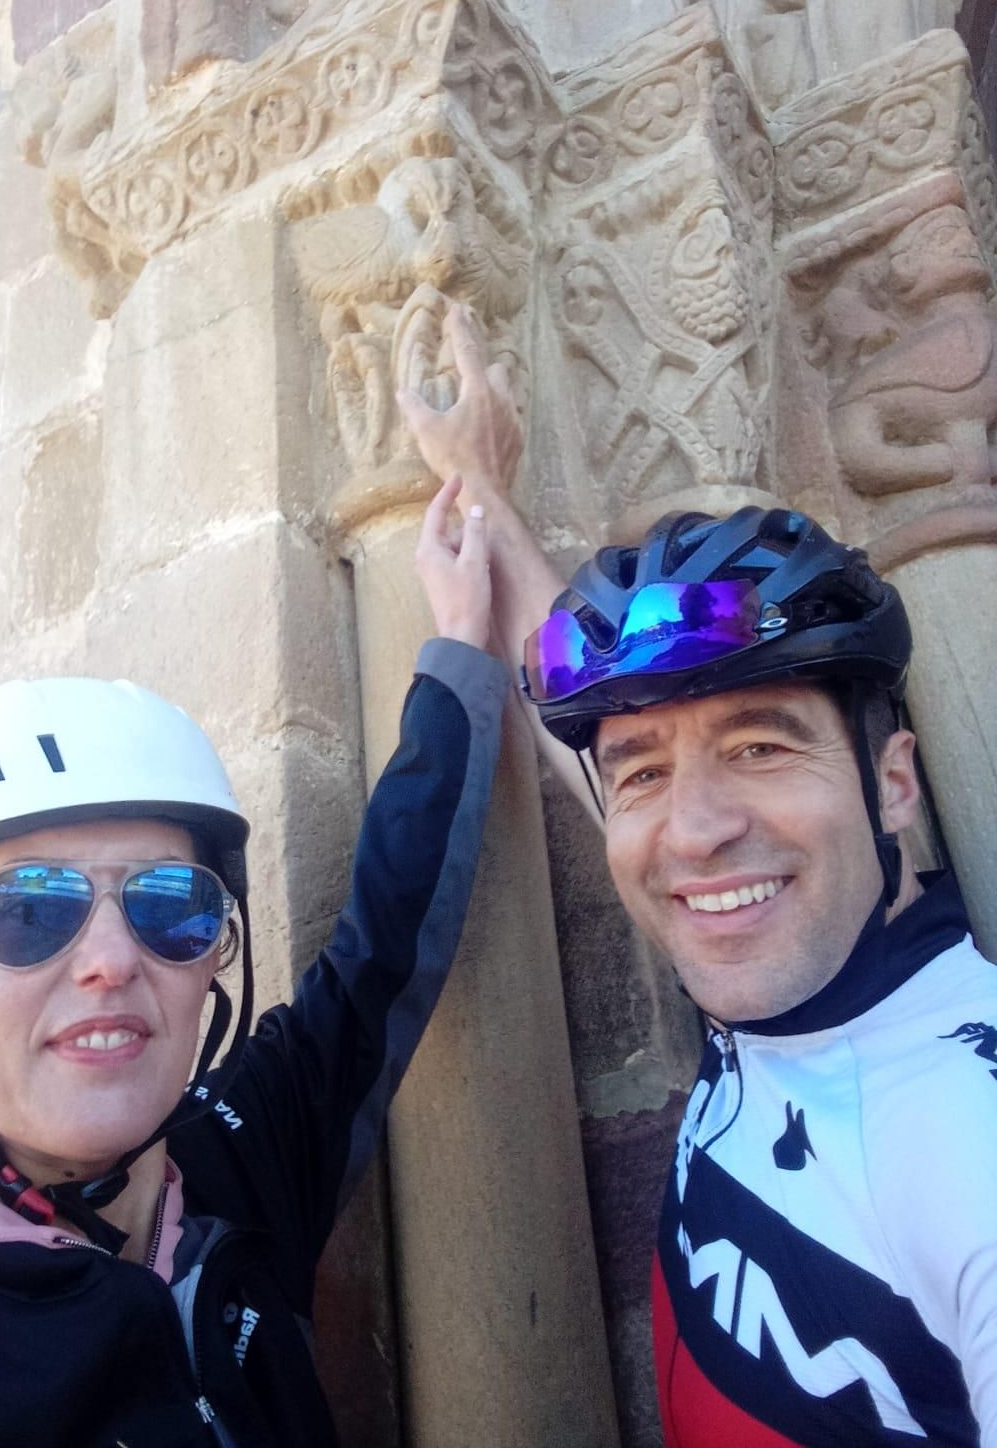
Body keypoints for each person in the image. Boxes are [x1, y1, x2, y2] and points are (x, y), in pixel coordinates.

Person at [0, 477, 508, 1448]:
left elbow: (380, 945)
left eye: (167, 906)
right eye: (29, 910)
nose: (108, 960)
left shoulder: (228, 1160)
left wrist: (460, 644)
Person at [400, 307, 997, 1446]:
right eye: (643, 776)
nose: (695, 834)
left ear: (895, 783)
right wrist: (476, 481)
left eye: (761, 748)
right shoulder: (796, 956)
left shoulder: (965, 1131)